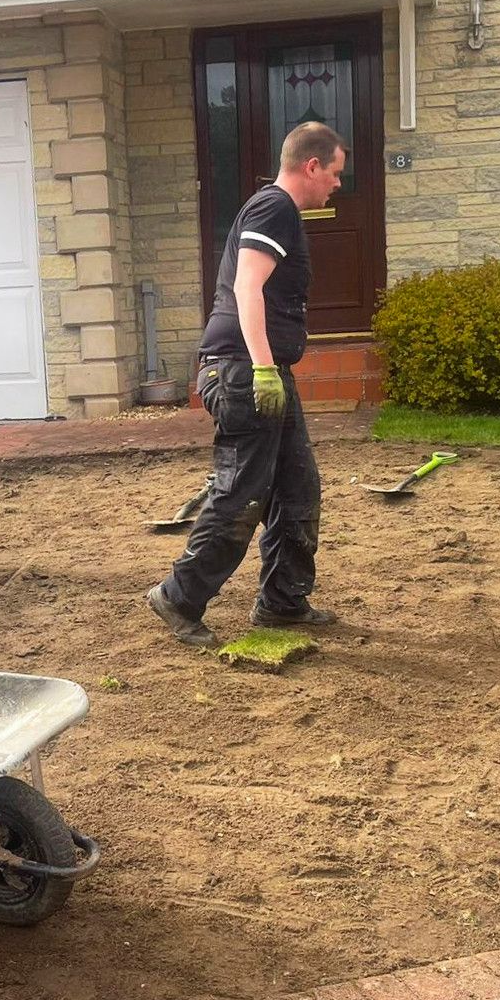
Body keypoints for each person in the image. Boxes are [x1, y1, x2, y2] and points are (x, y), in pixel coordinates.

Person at [146, 121, 346, 647]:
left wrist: (269, 368)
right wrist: (261, 368)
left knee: (298, 487)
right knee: (241, 494)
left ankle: (282, 601)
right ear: (311, 166)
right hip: (243, 371)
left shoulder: (279, 212)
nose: (337, 184)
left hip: (263, 370)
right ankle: (178, 597)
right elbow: (247, 286)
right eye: (335, 172)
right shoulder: (273, 207)